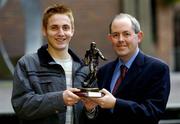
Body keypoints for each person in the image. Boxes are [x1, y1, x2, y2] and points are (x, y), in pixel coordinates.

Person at [11, 4, 94, 124]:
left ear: (72, 31)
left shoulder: (85, 69)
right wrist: (60, 99)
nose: (61, 33)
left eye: (65, 27)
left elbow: (92, 116)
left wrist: (91, 110)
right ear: (44, 30)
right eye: (54, 28)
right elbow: (22, 106)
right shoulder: (27, 64)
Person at [86, 13, 170, 124]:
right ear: (110, 38)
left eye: (126, 34)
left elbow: (153, 113)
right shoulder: (103, 71)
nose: (120, 39)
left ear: (139, 37)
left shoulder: (158, 69)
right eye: (115, 35)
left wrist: (116, 104)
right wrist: (90, 109)